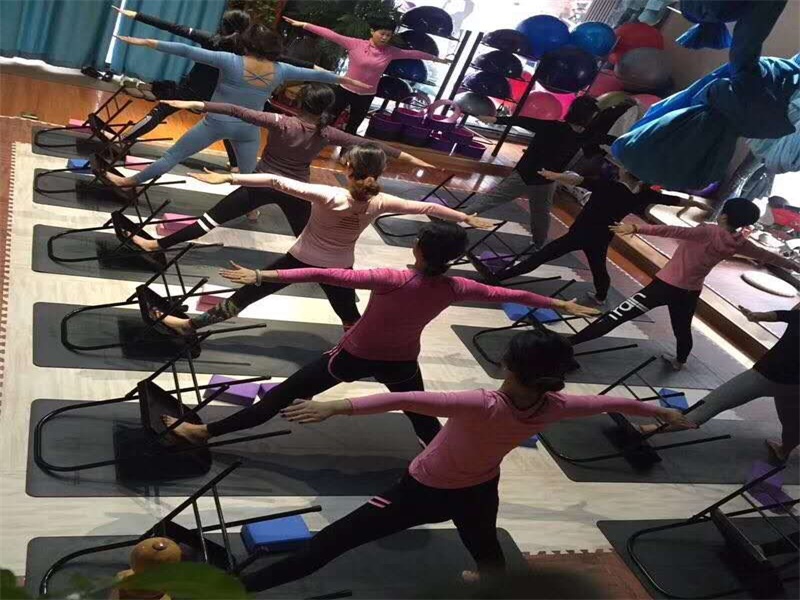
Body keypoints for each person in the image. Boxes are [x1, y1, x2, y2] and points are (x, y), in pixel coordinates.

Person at [207, 330, 690, 592]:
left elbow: (403, 398)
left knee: (324, 547)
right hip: (479, 490)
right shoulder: (558, 405)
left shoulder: (481, 402)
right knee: (487, 553)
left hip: (420, 493)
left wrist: (336, 406)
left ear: (508, 366)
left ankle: (233, 592)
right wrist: (661, 411)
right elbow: (610, 402)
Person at [160, 223, 599, 446]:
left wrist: (262, 274)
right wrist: (559, 304)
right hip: (401, 362)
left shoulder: (392, 278)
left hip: (352, 357)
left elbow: (324, 272)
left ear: (418, 248)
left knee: (280, 397)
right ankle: (445, 456)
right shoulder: (457, 286)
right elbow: (507, 292)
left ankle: (204, 433)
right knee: (421, 418)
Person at [146, 145, 492, 332]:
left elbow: (275, 182)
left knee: (248, 294)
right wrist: (464, 217)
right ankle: (357, 346)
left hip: (300, 260)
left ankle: (190, 326)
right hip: (340, 268)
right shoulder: (382, 201)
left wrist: (229, 179)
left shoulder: (329, 195)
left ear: (349, 170)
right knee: (348, 313)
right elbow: (427, 206)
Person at [128, 84, 434, 243]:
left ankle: (158, 245)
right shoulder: (328, 132)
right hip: (296, 189)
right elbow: (376, 146)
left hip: (260, 183)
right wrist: (415, 159)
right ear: (327, 108)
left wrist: (192, 104)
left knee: (208, 221)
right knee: (311, 239)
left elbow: (235, 110)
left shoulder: (280, 121)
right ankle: (340, 287)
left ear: (299, 103)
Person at [101, 25, 369, 194]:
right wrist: (346, 80)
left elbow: (186, 50)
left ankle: (129, 182)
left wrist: (145, 42)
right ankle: (250, 212)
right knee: (248, 174)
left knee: (173, 156)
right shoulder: (282, 69)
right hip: (249, 129)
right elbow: (318, 74)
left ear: (247, 45)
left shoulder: (230, 60)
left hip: (215, 123)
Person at [569, 198, 800, 370]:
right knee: (682, 329)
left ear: (724, 216)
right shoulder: (740, 242)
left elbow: (672, 230)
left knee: (616, 316)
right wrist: (795, 267)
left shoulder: (707, 231)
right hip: (689, 293)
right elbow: (769, 256)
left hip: (663, 287)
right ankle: (679, 362)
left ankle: (568, 343)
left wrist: (637, 227)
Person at [109, 6, 315, 170]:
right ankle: (236, 165)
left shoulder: (212, 40)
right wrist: (317, 68)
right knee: (229, 127)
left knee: (160, 111)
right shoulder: (250, 50)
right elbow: (288, 60)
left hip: (192, 90)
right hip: (221, 98)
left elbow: (173, 27)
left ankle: (123, 140)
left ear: (224, 26)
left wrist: (135, 15)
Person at [492, 167, 708, 305]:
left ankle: (497, 279)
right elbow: (672, 200)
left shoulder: (609, 185)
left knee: (542, 256)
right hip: (602, 236)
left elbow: (579, 181)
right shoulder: (644, 194)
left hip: (581, 233)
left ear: (625, 173)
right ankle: (601, 296)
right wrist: (696, 204)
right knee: (598, 268)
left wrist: (555, 176)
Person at [641, 303, 798, 463]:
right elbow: (773, 315)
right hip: (793, 386)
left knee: (706, 407)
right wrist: (755, 315)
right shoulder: (795, 316)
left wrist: (754, 316)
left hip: (765, 377)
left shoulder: (796, 316)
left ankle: (647, 430)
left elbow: (772, 315)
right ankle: (783, 451)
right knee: (793, 423)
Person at [463, 96, 606, 249]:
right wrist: (495, 120)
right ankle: (538, 244)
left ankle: (538, 244)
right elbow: (522, 121)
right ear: (586, 116)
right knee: (532, 211)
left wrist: (495, 120)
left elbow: (523, 121)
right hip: (534, 177)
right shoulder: (569, 132)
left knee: (534, 212)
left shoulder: (571, 132)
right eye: (593, 116)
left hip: (539, 179)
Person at [283, 15, 448, 134]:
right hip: (344, 89)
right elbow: (331, 35)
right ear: (372, 31)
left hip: (366, 95)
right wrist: (304, 24)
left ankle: (345, 156)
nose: (385, 38)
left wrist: (437, 59)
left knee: (353, 127)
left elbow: (414, 54)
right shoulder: (355, 44)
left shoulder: (391, 51)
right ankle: (314, 146)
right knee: (327, 121)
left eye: (388, 35)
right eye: (382, 33)